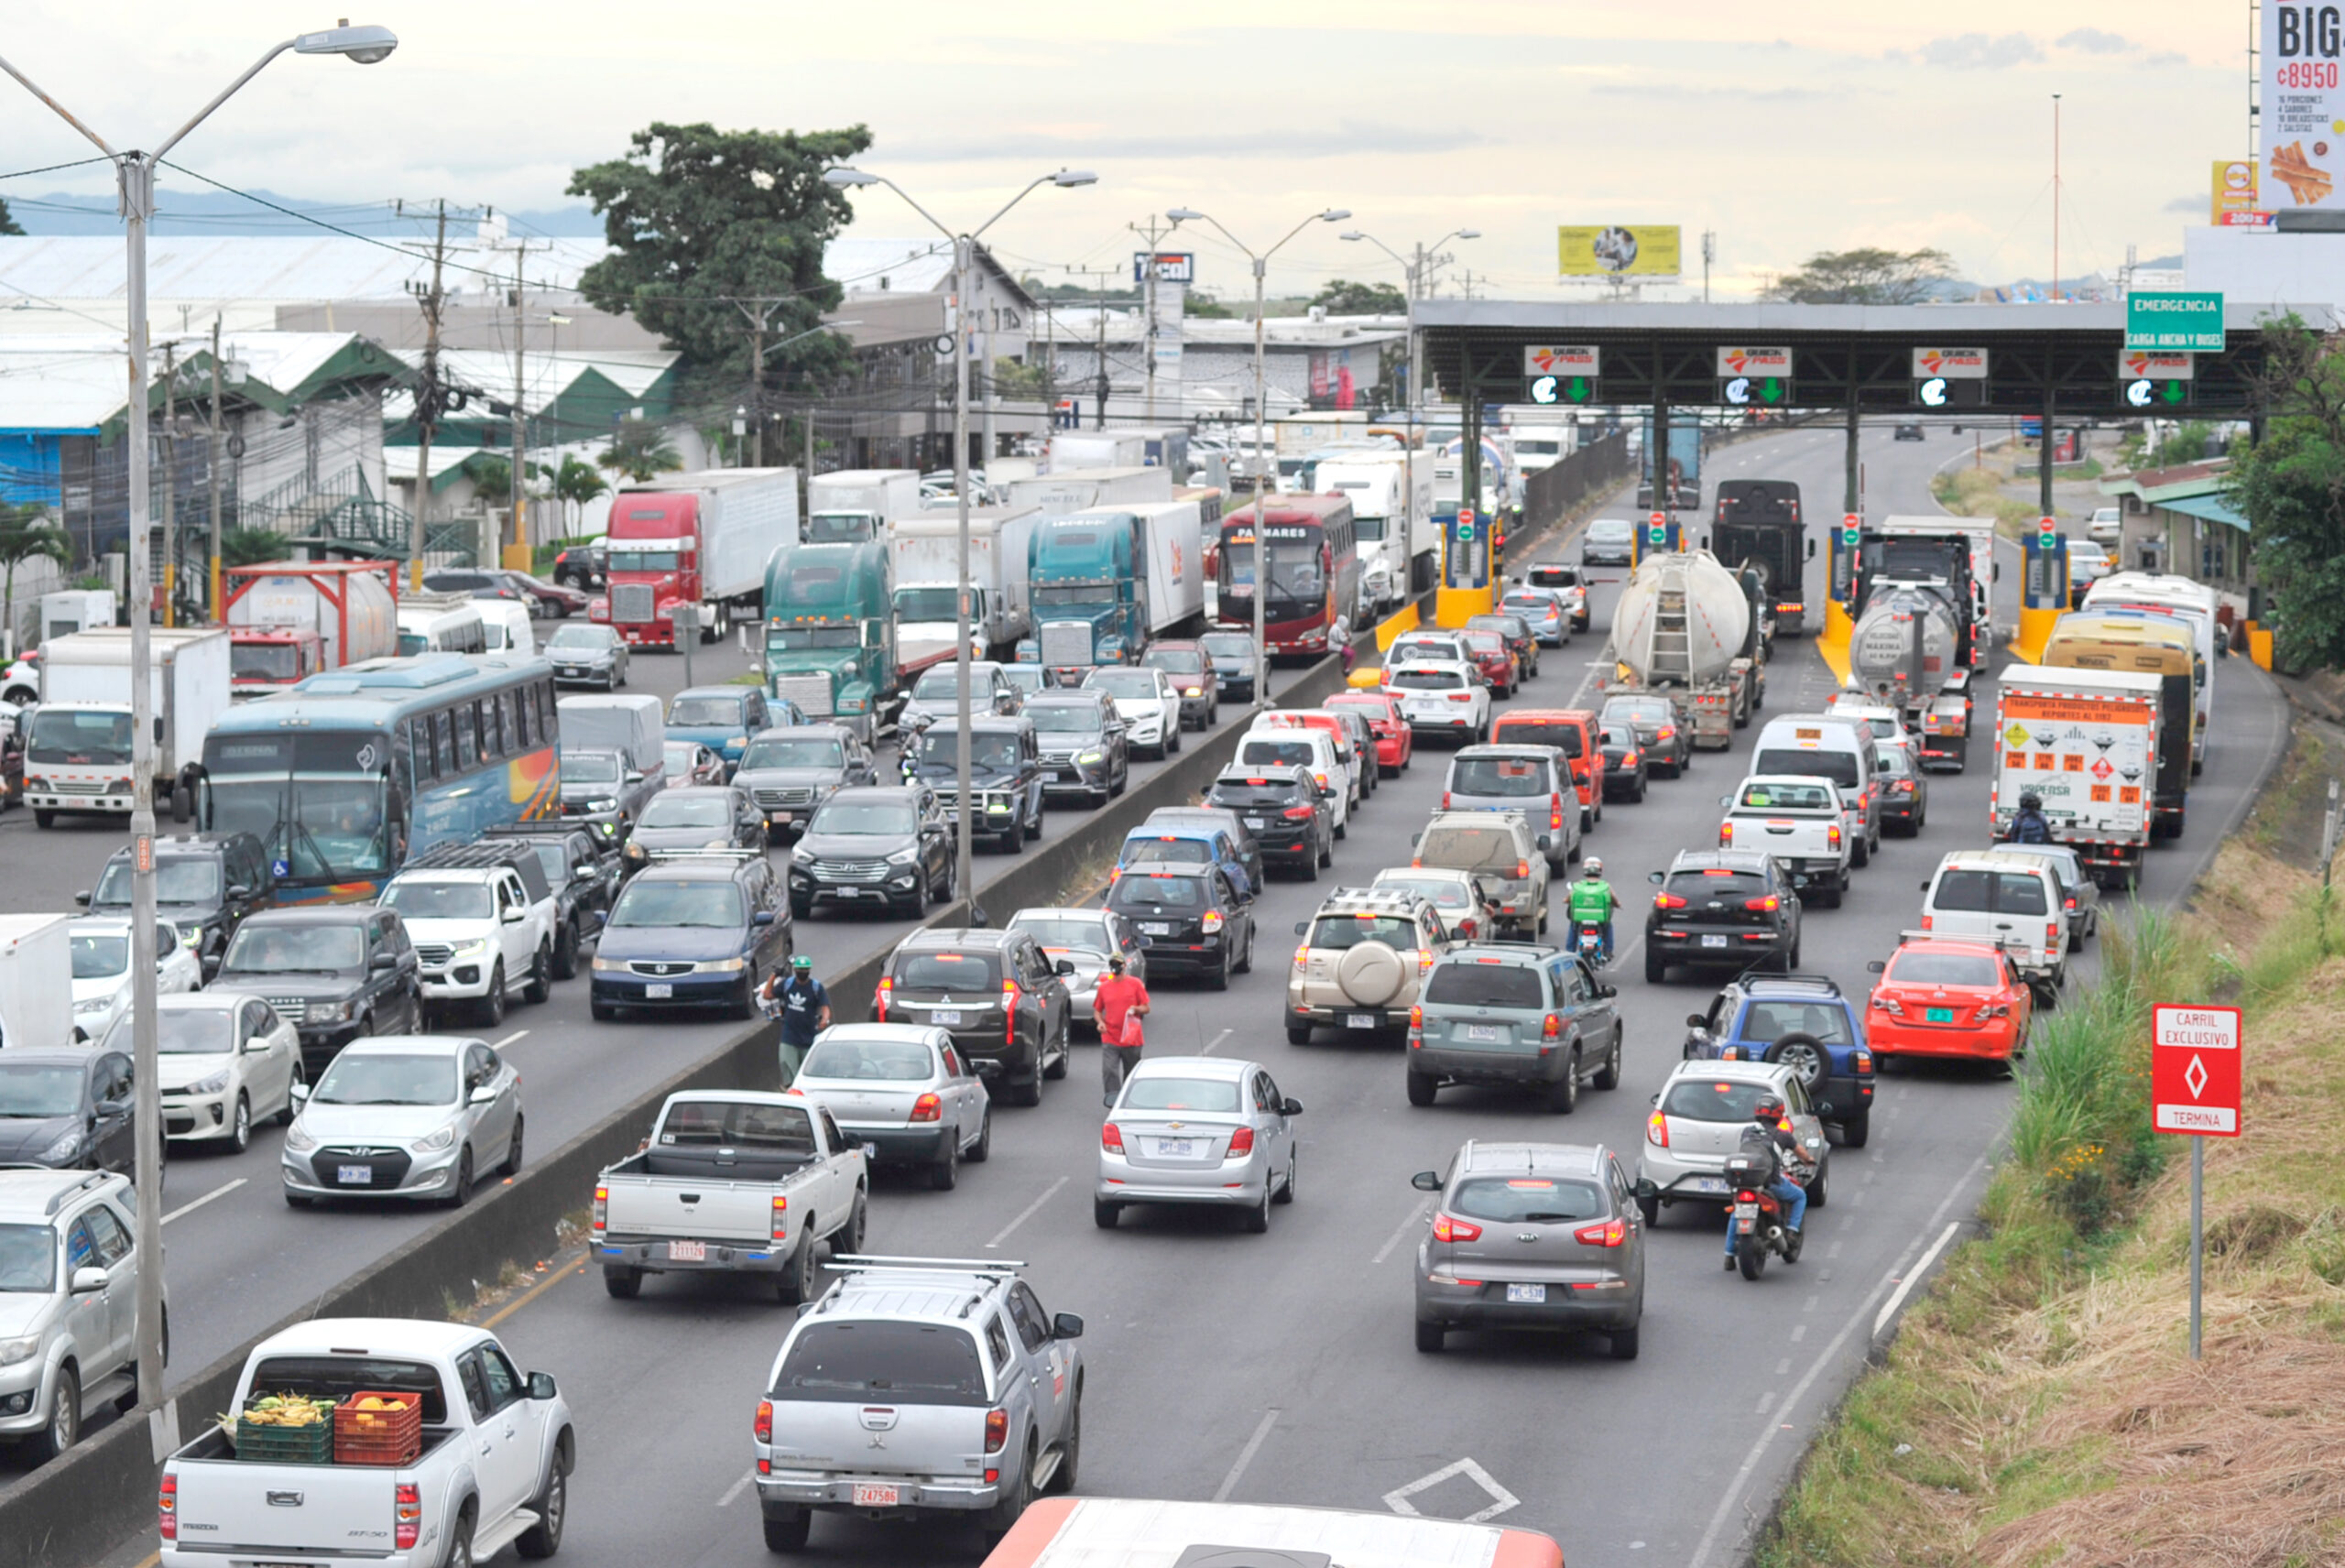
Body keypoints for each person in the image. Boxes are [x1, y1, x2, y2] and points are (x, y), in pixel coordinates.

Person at [1725, 1094, 1808, 1270]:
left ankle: (1728, 1255)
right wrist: (1809, 1160)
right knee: (1800, 1196)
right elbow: (1801, 1152)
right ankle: (1792, 1231)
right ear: (1778, 1114)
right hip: (1772, 1183)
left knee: (1737, 1212)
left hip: (1746, 1182)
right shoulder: (1783, 1135)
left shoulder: (1747, 1131)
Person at [1091, 953, 1151, 1107]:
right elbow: (1097, 1011)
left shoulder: (1135, 984)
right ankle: (1113, 1101)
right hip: (1110, 1037)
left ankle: (1130, 1102)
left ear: (1124, 966)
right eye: (1113, 964)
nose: (1115, 967)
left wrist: (1135, 1009)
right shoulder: (1104, 988)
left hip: (1132, 1038)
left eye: (1118, 964)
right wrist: (1100, 1023)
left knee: (1131, 1072)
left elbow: (1146, 1008)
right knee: (1109, 1070)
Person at [761, 954, 831, 1084]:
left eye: (805, 970)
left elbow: (825, 1007)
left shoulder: (816, 988)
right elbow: (767, 995)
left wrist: (824, 1020)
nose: (802, 972)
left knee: (808, 1075)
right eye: (799, 970)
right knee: (788, 1071)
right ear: (795, 971)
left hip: (809, 1038)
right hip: (789, 1037)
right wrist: (773, 975)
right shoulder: (787, 984)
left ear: (809, 971)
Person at [1567, 855, 1619, 964]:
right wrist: (1618, 904)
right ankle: (1608, 951)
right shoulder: (1605, 886)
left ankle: (1569, 953)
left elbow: (1568, 898)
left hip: (1579, 920)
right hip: (1600, 920)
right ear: (1600, 870)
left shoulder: (1578, 885)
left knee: (1573, 927)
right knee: (1608, 927)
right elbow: (1614, 899)